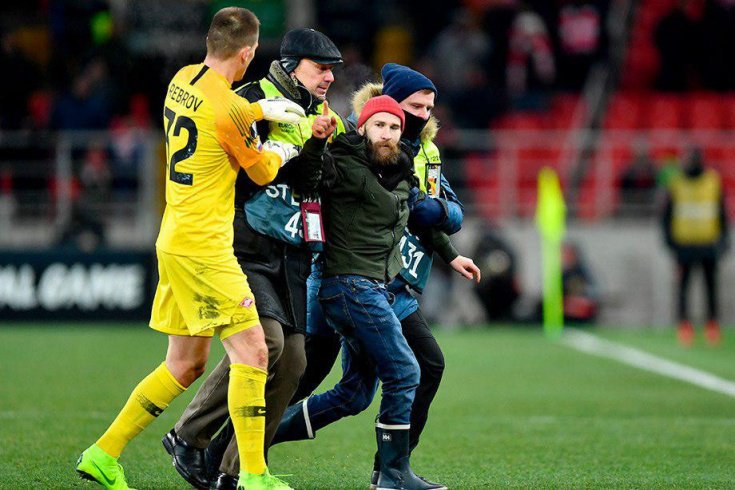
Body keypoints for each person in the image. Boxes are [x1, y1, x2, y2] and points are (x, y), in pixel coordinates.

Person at [74, 8, 307, 490]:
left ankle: (103, 453)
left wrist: (259, 110)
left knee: (185, 365)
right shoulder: (232, 110)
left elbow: (216, 112)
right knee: (254, 352)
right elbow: (262, 171)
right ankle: (254, 476)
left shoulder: (182, 79)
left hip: (174, 238)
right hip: (205, 248)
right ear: (247, 54)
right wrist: (289, 144)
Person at [160, 28, 346, 490]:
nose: (328, 78)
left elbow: (324, 181)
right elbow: (239, 174)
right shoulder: (247, 99)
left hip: (292, 251)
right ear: (292, 66)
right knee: (269, 345)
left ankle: (234, 470)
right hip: (245, 242)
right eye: (321, 68)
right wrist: (287, 148)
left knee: (295, 362)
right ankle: (191, 436)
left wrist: (313, 145)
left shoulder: (324, 116)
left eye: (332, 71)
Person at [279, 63, 477, 490]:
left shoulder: (412, 157)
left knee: (359, 391)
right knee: (310, 371)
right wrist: (316, 144)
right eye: (414, 107)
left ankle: (389, 469)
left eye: (427, 109)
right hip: (348, 282)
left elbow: (435, 210)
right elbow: (310, 179)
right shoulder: (350, 148)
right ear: (375, 115)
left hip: (387, 284)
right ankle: (233, 443)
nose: (422, 115)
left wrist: (449, 249)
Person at [662, 148, 729, 347]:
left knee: (711, 287)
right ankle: (684, 325)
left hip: (708, 243)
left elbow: (721, 212)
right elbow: (667, 214)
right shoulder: (676, 182)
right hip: (684, 244)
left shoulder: (712, 181)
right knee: (684, 287)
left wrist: (724, 239)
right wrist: (670, 241)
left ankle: (712, 324)